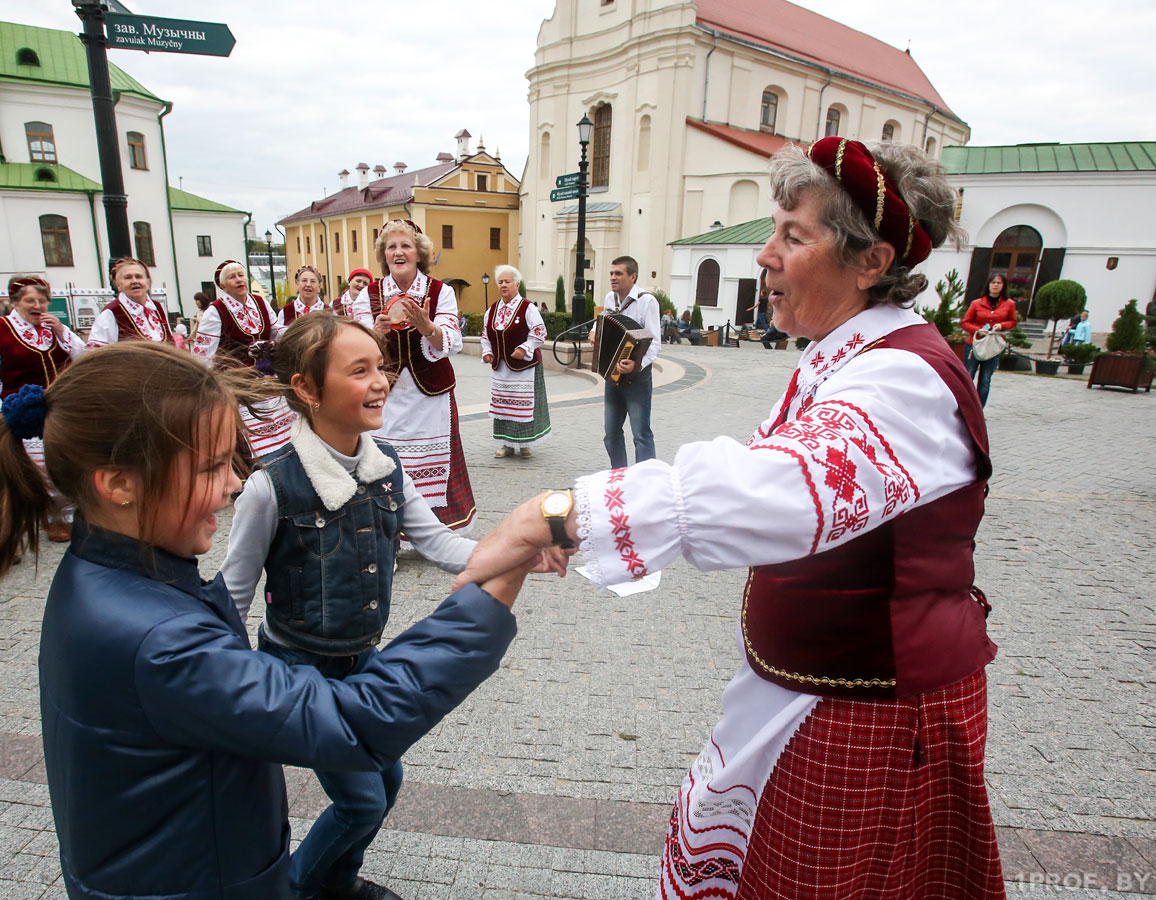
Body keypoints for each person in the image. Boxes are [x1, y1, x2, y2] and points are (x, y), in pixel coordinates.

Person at [455, 137, 1005, 899]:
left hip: (872, 717)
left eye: (792, 235)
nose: (764, 257)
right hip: (819, 697)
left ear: (871, 261)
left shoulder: (903, 379)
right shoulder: (847, 358)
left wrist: (550, 515)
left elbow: (776, 489)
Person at [0, 341, 543, 900]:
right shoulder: (158, 639)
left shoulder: (117, 572)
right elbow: (355, 723)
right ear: (119, 483)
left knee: (378, 792)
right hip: (202, 883)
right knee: (363, 797)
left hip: (182, 869)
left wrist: (505, 553)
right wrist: (497, 582)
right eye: (208, 468)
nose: (231, 486)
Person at [221, 313, 517, 900]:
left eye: (380, 366)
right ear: (307, 390)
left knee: (388, 780)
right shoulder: (271, 486)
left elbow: (439, 544)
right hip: (299, 673)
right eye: (360, 371)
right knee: (360, 801)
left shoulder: (386, 469)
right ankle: (301, 888)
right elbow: (233, 591)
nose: (381, 381)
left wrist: (521, 546)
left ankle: (335, 880)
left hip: (362, 663)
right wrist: (226, 688)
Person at [355, 219, 476, 532]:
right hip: (386, 395)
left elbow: (452, 342)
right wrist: (374, 334)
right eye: (391, 246)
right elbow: (352, 347)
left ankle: (433, 533)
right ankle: (389, 535)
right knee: (386, 461)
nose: (398, 252)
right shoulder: (368, 294)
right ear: (384, 255)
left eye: (405, 245)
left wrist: (428, 327)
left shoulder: (441, 292)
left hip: (430, 394)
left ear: (419, 253)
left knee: (432, 462)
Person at [0, 275, 88, 542]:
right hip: (21, 408)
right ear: (15, 302)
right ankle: (50, 517)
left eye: (42, 301)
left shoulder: (54, 328)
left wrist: (62, 331)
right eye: (30, 301)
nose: (37, 306)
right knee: (36, 467)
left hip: (58, 405)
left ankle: (70, 514)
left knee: (63, 460)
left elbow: (84, 357)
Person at [191, 260, 296, 459]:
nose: (239, 279)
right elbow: (203, 354)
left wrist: (297, 332)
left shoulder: (259, 301)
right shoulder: (216, 311)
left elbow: (275, 330)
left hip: (267, 377)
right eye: (232, 277)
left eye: (241, 274)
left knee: (283, 431)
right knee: (253, 438)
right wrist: (209, 389)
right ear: (222, 286)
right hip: (238, 385)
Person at [591, 256, 660, 468]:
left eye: (618, 273)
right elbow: (602, 323)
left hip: (637, 378)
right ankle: (619, 475)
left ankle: (647, 479)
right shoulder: (610, 299)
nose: (613, 277)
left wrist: (637, 365)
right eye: (611, 273)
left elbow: (655, 343)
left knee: (641, 433)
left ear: (633, 276)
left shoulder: (647, 301)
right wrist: (594, 332)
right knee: (611, 433)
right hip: (613, 375)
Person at [481, 265, 551, 458]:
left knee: (524, 405)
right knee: (504, 406)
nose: (503, 285)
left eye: (507, 281)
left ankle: (525, 444)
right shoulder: (492, 309)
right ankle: (506, 445)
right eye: (501, 282)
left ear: (517, 284)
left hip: (525, 367)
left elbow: (540, 332)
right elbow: (486, 335)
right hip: (502, 369)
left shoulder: (527, 307)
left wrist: (524, 348)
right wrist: (487, 352)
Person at [87, 257, 174, 347]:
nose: (134, 281)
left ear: (147, 282)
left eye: (138, 276)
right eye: (128, 277)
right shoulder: (111, 313)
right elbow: (96, 354)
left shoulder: (157, 307)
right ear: (118, 285)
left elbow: (171, 343)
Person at [961, 273, 1018, 407]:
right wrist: (977, 329)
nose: (995, 285)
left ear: (1003, 286)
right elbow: (965, 323)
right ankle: (964, 407)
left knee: (985, 378)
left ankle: (979, 409)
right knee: (968, 376)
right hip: (975, 344)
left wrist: (1002, 325)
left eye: (999, 283)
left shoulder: (1009, 304)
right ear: (988, 284)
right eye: (993, 282)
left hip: (993, 345)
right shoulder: (977, 303)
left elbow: (1013, 322)